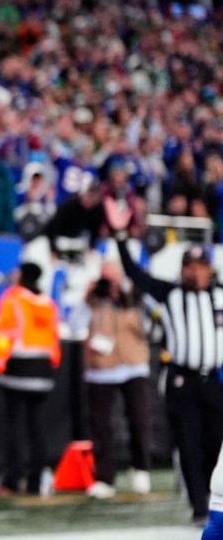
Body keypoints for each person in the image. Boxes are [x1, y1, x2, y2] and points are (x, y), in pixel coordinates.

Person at [106, 199, 223, 525]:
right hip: (182, 380)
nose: (195, 272)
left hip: (214, 380)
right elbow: (134, 273)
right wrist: (119, 237)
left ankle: (214, 505)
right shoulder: (170, 293)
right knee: (188, 444)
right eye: (190, 266)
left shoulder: (220, 295)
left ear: (210, 269)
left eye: (201, 267)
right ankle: (199, 508)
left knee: (217, 447)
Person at [0, 262, 60, 495]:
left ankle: (11, 480)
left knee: (13, 427)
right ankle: (36, 481)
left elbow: (3, 336)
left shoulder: (13, 298)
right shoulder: (48, 303)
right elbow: (54, 338)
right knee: (38, 428)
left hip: (16, 370)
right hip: (43, 372)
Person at [81, 261, 152, 499]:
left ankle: (140, 468)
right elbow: (74, 325)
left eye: (114, 278)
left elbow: (150, 325)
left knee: (139, 419)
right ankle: (105, 476)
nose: (110, 284)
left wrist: (129, 298)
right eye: (106, 279)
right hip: (101, 367)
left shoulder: (134, 296)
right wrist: (88, 299)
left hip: (133, 364)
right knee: (101, 425)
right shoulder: (93, 300)